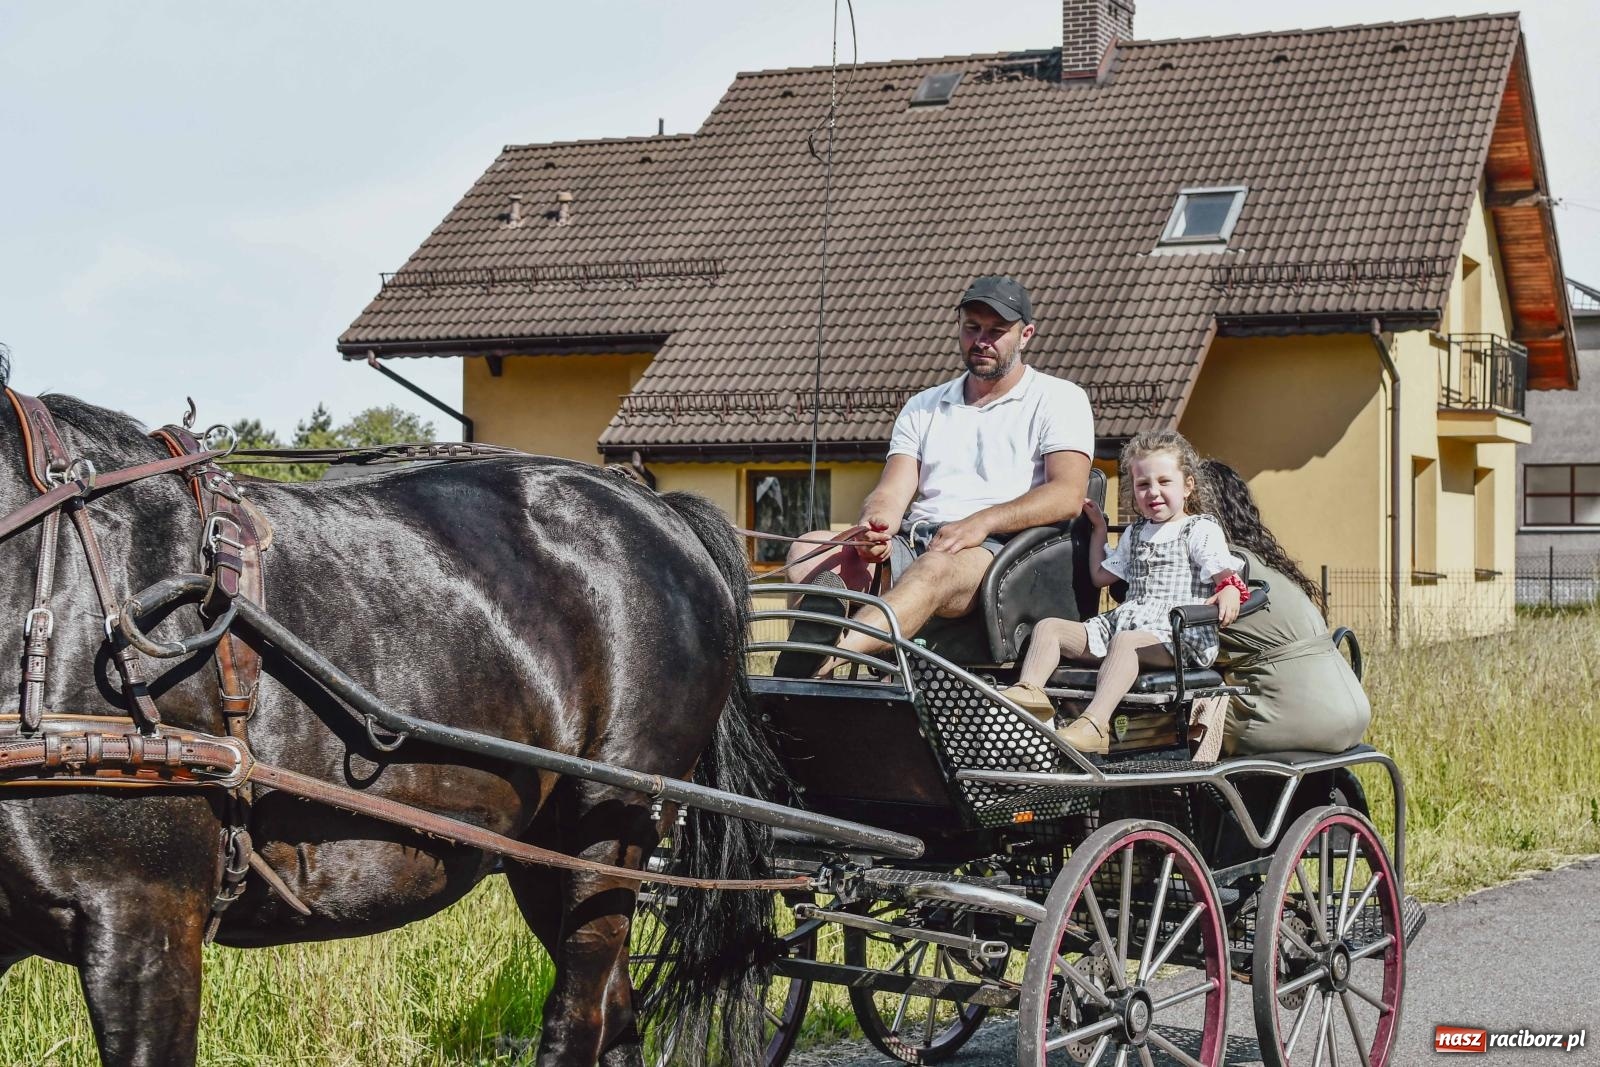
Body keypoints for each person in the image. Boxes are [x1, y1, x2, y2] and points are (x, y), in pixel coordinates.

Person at [776, 275, 1093, 677]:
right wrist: (875, 526)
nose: (981, 341)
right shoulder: (923, 406)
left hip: (1003, 552)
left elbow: (1066, 495)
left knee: (934, 567)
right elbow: (891, 490)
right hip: (918, 541)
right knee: (809, 548)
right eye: (972, 328)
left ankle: (823, 660)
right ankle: (814, 649)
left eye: (996, 331)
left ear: (1025, 335)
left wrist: (981, 522)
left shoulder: (1059, 398)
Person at [999, 431, 1246, 753]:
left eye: (1164, 482)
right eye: (1143, 485)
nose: (1153, 492)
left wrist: (1229, 590)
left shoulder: (1199, 529)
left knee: (1126, 642)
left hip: (1178, 634)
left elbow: (1226, 575)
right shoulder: (1136, 531)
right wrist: (1100, 530)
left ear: (1187, 486)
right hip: (1128, 623)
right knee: (1049, 628)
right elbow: (1100, 576)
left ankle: (1095, 724)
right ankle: (1030, 693)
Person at [1198, 459, 1371, 755]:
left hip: (1292, 717)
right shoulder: (1264, 562)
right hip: (1350, 707)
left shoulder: (1219, 566)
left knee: (1176, 726)